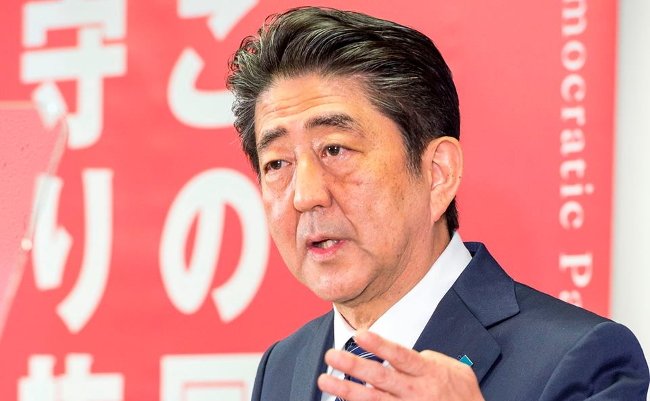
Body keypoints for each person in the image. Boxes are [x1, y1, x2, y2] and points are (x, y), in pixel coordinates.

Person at [226, 6, 649, 401]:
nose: (306, 195)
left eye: (335, 150)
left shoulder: (581, 361)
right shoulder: (282, 367)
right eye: (277, 163)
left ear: (437, 173)